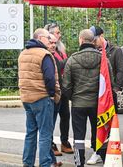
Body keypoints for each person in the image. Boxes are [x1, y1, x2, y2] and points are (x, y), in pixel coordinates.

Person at [62, 29, 110, 167]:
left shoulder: (72, 59)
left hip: (78, 104)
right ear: (93, 41)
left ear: (81, 40)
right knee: (100, 133)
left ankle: (79, 163)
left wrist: (74, 97)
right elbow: (108, 82)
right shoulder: (103, 59)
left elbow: (65, 86)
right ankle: (105, 160)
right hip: (98, 104)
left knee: (79, 136)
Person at [18, 28, 61, 167]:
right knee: (45, 135)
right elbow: (49, 77)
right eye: (48, 38)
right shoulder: (45, 54)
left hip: (27, 98)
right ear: (41, 38)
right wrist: (51, 94)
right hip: (42, 97)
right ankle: (45, 164)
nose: (50, 41)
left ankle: (27, 163)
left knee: (30, 133)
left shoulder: (23, 53)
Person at [88, 25, 123, 164]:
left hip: (110, 94)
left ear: (101, 36)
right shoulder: (91, 51)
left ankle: (109, 150)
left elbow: (121, 70)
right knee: (96, 124)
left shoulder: (115, 51)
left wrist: (115, 88)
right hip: (96, 95)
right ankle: (97, 151)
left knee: (110, 124)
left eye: (95, 39)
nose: (92, 41)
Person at [45, 23, 73, 155]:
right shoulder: (48, 52)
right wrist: (68, 61)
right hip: (55, 88)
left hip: (64, 87)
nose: (59, 35)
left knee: (66, 116)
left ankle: (65, 141)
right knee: (52, 118)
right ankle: (50, 143)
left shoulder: (61, 50)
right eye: (57, 32)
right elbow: (58, 65)